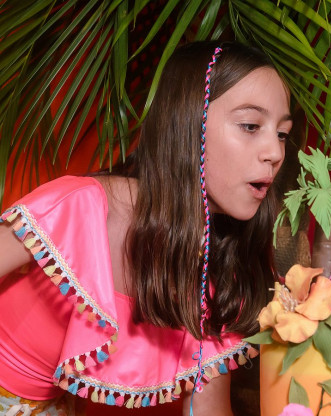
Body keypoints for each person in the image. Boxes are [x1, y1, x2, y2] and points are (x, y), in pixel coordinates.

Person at [0, 41, 294, 415]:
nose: (275, 153)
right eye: (251, 126)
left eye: (282, 133)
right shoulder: (80, 208)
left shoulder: (217, 269)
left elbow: (208, 411)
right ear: (187, 127)